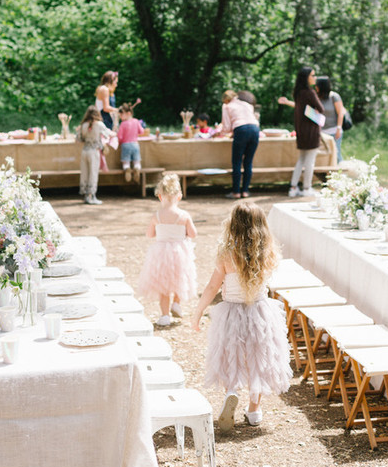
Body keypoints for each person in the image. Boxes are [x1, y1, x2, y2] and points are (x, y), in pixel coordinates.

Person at [191, 201, 292, 431]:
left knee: (231, 357)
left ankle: (231, 392)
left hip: (231, 313)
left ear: (233, 226)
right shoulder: (267, 253)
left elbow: (211, 288)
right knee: (258, 358)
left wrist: (197, 313)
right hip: (260, 312)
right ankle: (254, 410)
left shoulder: (227, 255)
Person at [138, 173, 197, 327]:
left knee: (164, 286)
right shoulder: (184, 215)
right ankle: (176, 303)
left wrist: (161, 231)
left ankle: (165, 316)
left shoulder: (156, 216)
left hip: (161, 253)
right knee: (180, 279)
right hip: (180, 252)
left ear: (159, 196)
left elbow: (149, 234)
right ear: (179, 197)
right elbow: (193, 234)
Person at [278, 66, 324, 198]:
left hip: (301, 130)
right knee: (310, 161)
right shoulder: (310, 92)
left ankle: (293, 187)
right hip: (311, 131)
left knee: (301, 159)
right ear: (306, 77)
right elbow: (321, 109)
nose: (315, 78)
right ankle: (306, 187)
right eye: (313, 75)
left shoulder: (298, 93)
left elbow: (300, 107)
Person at [221, 90, 260, 200]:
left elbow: (227, 127)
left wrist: (220, 133)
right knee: (248, 161)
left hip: (241, 130)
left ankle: (236, 192)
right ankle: (245, 191)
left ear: (226, 99)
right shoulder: (247, 104)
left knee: (237, 162)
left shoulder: (227, 106)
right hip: (255, 129)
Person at [75, 105, 112, 205]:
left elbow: (78, 139)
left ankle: (86, 196)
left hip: (85, 151)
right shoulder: (99, 124)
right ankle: (92, 196)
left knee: (85, 173)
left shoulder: (83, 125)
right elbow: (108, 134)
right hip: (94, 151)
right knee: (93, 173)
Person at [316, 75, 345, 164]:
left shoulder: (334, 97)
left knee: (336, 154)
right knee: (324, 155)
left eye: (317, 85)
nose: (315, 87)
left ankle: (340, 174)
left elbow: (341, 112)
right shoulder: (317, 97)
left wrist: (339, 128)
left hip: (334, 130)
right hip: (322, 132)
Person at [117, 103, 142, 183]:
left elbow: (120, 137)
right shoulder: (136, 121)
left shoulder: (123, 124)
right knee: (137, 161)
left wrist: (119, 141)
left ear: (128, 113)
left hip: (125, 145)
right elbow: (141, 131)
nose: (120, 117)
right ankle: (137, 168)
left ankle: (127, 169)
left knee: (126, 162)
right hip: (135, 144)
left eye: (121, 115)